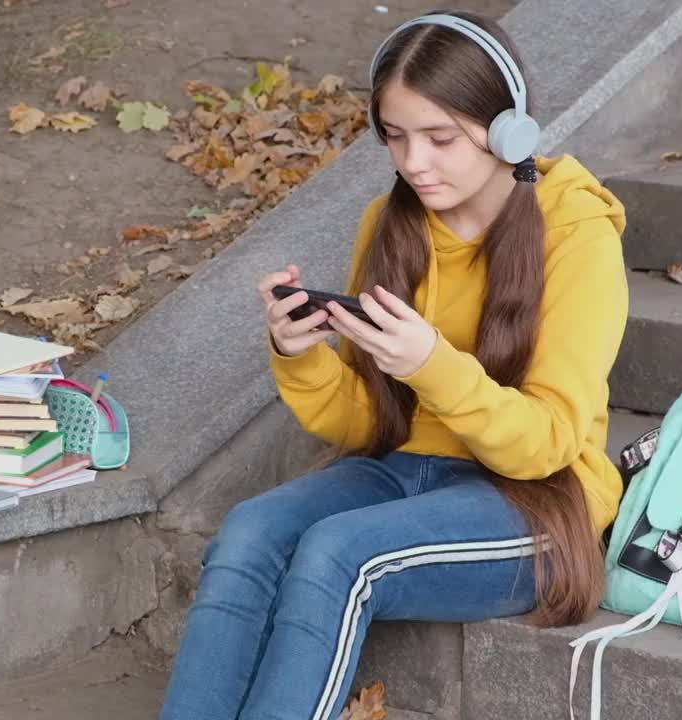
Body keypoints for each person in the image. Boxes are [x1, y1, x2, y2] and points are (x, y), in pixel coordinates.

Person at [160, 10, 629, 719]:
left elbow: (550, 442)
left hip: (538, 501)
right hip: (406, 470)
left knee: (340, 553)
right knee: (251, 531)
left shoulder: (578, 235)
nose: (415, 163)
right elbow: (368, 421)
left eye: (441, 138)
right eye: (398, 138)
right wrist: (301, 354)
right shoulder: (389, 224)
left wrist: (434, 363)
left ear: (510, 130)